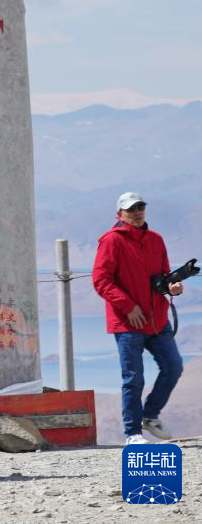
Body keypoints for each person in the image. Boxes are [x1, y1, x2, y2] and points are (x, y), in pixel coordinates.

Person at [92, 191, 184, 446]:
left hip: (158, 320)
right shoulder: (111, 241)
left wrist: (173, 287)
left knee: (174, 367)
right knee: (134, 378)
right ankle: (132, 433)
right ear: (119, 214)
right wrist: (128, 306)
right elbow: (101, 280)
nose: (137, 212)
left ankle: (150, 415)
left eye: (140, 207)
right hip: (128, 323)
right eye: (131, 209)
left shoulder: (156, 239)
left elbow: (164, 276)